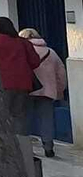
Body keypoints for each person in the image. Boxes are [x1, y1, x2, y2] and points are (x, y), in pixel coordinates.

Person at [23, 27, 68, 158]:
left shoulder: (23, 53)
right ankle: (48, 147)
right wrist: (60, 90)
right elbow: (61, 73)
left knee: (26, 120)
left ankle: (27, 148)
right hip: (47, 92)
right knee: (46, 120)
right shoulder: (51, 52)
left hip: (28, 91)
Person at [0, 16, 42, 124]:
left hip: (0, 83)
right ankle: (19, 139)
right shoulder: (23, 42)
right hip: (23, 84)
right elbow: (35, 62)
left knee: (1, 117)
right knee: (19, 117)